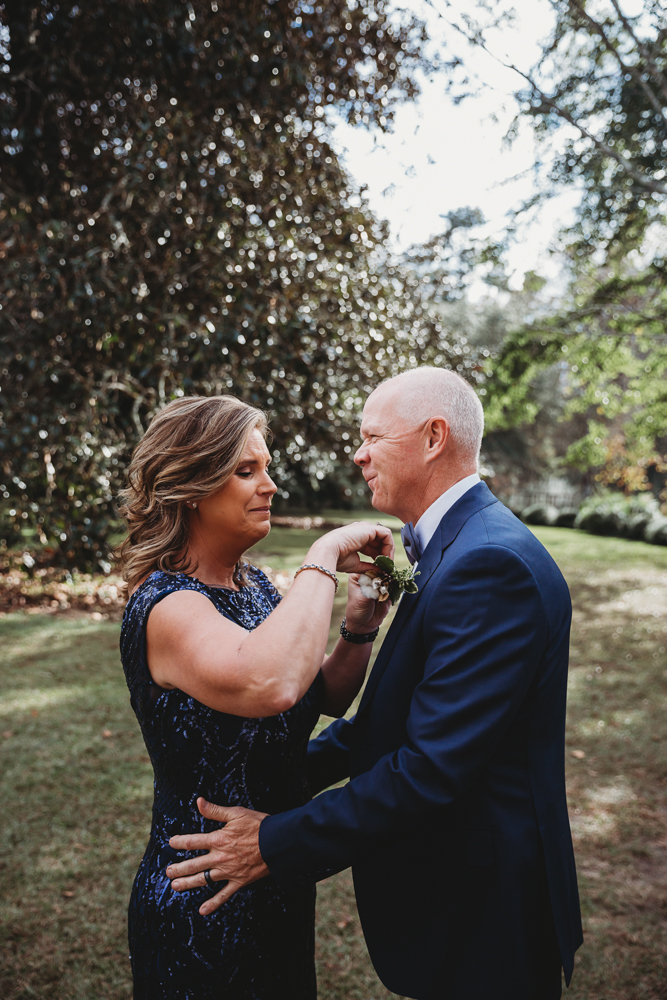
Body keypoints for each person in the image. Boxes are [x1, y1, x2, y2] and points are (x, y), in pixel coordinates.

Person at [166, 368, 584, 1000]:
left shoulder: (488, 564)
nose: (357, 454)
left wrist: (274, 839)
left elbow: (431, 767)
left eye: (372, 436)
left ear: (434, 437)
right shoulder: (457, 547)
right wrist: (272, 776)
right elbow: (398, 720)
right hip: (463, 899)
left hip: (486, 912)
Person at [116, 393, 393, 999]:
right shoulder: (166, 606)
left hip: (273, 870)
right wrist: (322, 557)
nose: (269, 486)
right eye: (247, 471)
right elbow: (270, 684)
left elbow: (318, 692)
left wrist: (360, 623)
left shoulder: (255, 586)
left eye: (266, 468)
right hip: (200, 898)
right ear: (191, 485)